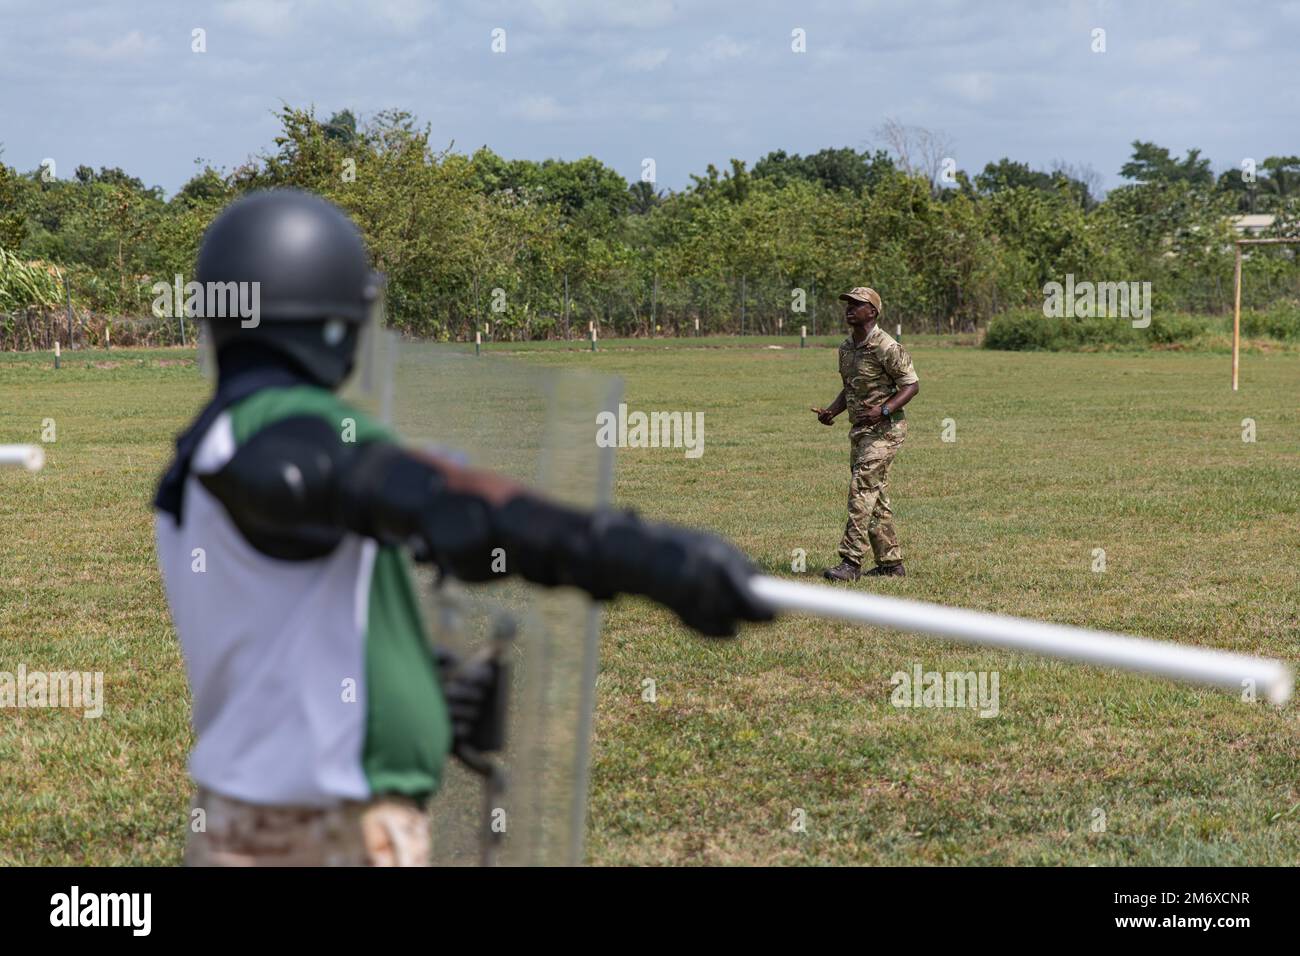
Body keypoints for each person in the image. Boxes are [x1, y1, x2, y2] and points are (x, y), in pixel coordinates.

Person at [154, 188, 772, 866]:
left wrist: (416, 692)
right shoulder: (288, 433)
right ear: (335, 320)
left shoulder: (210, 444)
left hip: (263, 821)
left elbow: (291, 636)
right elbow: (450, 509)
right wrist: (628, 553)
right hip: (318, 836)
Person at [810, 287, 919, 582]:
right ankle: (891, 565)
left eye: (857, 305)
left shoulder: (887, 346)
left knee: (861, 490)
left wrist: (883, 410)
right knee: (876, 497)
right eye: (847, 304)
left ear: (872, 312)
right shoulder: (846, 348)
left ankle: (850, 562)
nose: (849, 309)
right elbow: (851, 387)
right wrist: (832, 411)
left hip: (886, 431)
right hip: (860, 432)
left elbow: (911, 385)